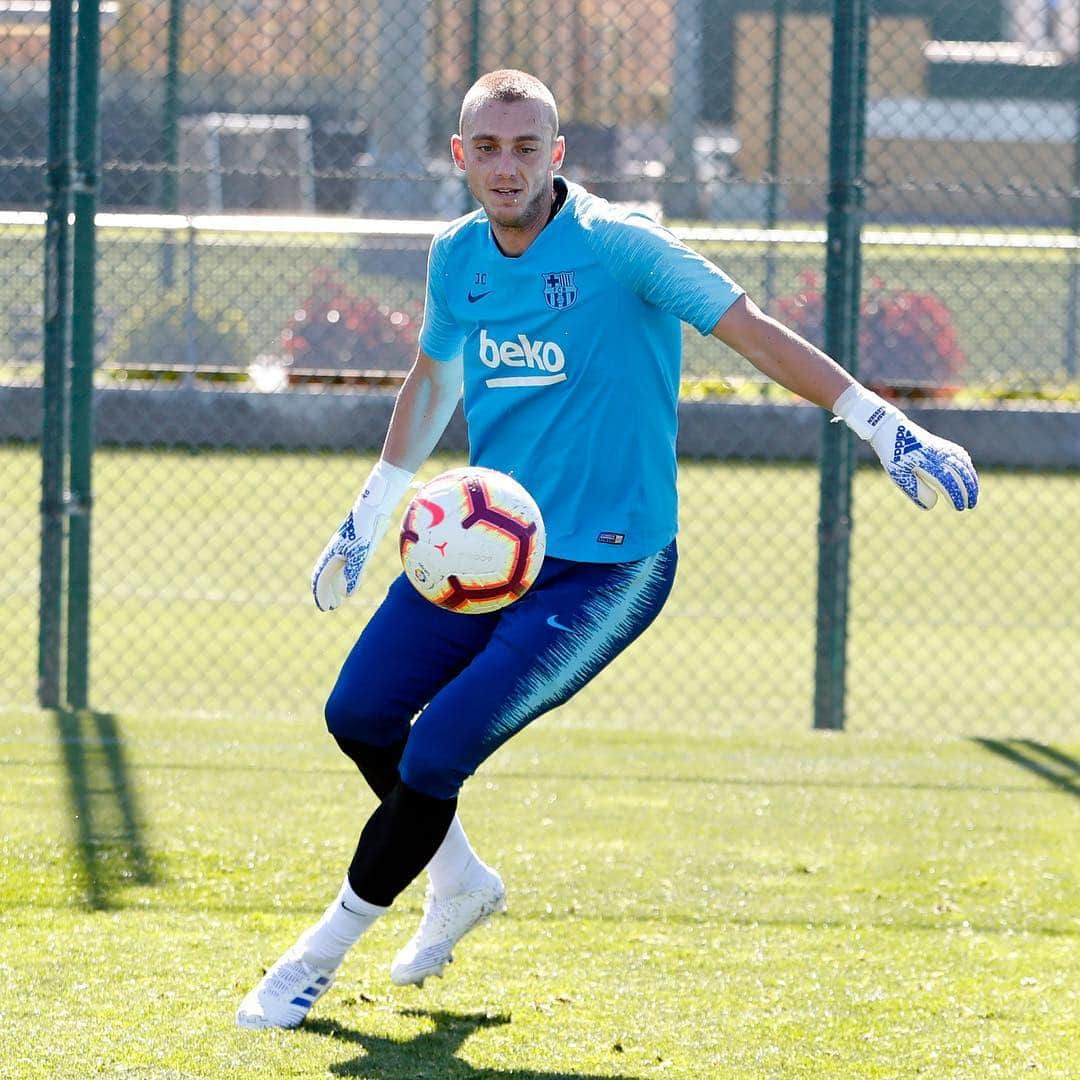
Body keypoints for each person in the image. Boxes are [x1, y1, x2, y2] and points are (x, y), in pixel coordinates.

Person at [237, 69, 978, 1029]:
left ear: (557, 154)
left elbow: (749, 329)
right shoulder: (456, 254)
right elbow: (433, 372)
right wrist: (372, 507)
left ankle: (316, 955)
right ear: (461, 157)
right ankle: (458, 881)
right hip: (480, 551)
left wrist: (881, 424)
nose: (508, 166)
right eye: (488, 147)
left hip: (607, 570)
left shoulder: (621, 247)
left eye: (526, 145)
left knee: (437, 751)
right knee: (359, 715)